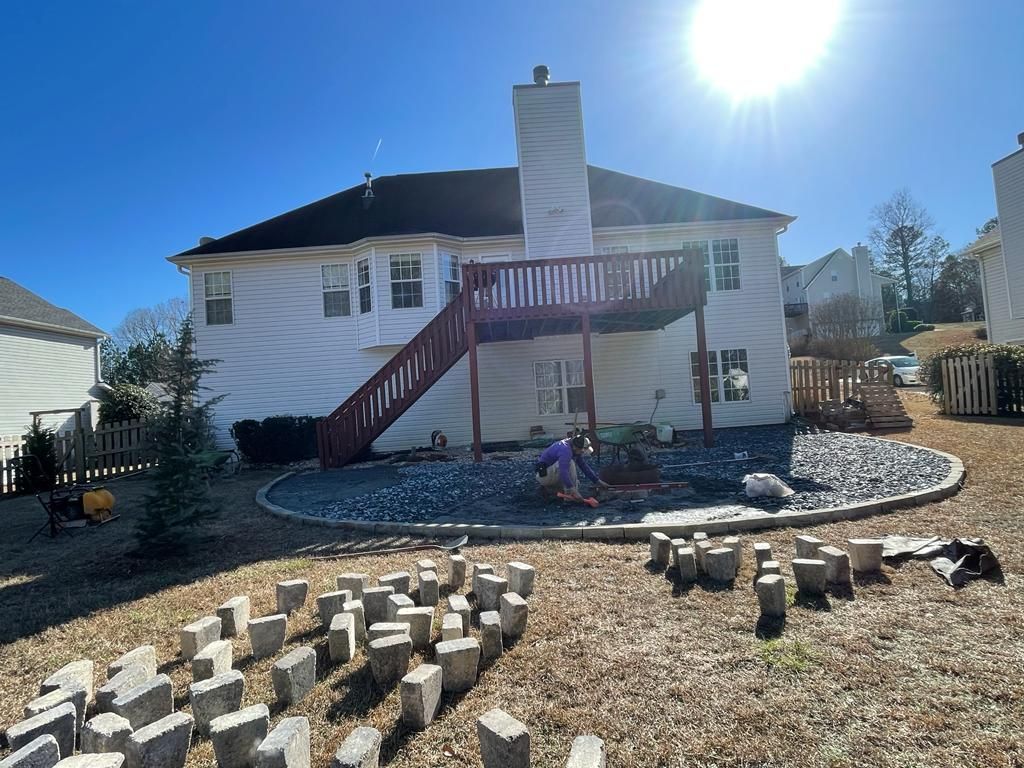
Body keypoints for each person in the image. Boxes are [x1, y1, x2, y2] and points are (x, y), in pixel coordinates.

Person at [535, 434, 610, 499]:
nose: (582, 453)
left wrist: (597, 481)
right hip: (544, 475)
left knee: (574, 481)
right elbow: (563, 471)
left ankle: (550, 489)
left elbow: (583, 466)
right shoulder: (565, 450)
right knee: (570, 463)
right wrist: (572, 490)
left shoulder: (573, 447)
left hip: (549, 473)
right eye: (582, 451)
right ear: (576, 447)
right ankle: (570, 496)